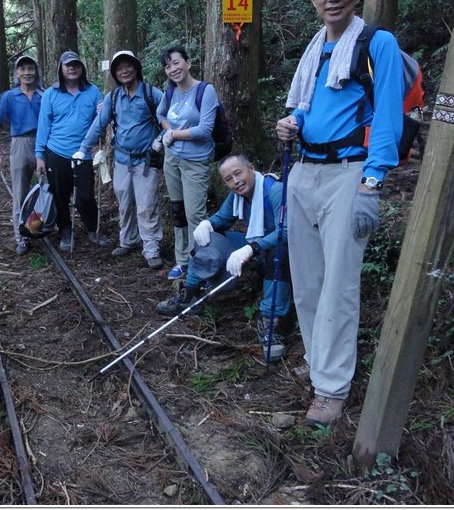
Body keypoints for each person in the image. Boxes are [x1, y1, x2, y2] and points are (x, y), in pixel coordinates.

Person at [276, 0, 403, 427]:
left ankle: (331, 388)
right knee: (307, 282)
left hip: (349, 174)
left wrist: (373, 183)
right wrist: (294, 122)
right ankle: (318, 361)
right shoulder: (316, 50)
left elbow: (387, 115)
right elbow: (311, 107)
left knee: (338, 286)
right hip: (304, 171)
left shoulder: (377, 44)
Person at [156, 154, 293, 360]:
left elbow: (287, 231)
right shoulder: (237, 195)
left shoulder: (274, 192)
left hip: (279, 248)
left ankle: (270, 324)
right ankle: (191, 293)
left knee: (279, 253)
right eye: (229, 179)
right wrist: (208, 224)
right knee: (206, 240)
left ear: (251, 168)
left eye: (238, 173)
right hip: (253, 244)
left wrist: (252, 248)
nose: (235, 181)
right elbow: (222, 218)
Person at [75, 50, 165, 269]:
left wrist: (161, 140)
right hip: (122, 160)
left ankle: (151, 247)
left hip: (146, 161)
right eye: (119, 68)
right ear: (115, 73)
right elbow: (99, 124)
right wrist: (83, 148)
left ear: (136, 68)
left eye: (128, 66)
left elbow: (168, 121)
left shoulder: (153, 94)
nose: (124, 71)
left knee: (146, 204)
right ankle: (129, 239)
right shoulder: (113, 98)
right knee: (125, 202)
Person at [36, 50, 110, 252]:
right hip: (55, 152)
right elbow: (43, 125)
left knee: (85, 196)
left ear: (81, 68)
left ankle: (92, 228)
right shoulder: (50, 94)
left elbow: (101, 125)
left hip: (82, 153)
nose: (72, 68)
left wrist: (101, 113)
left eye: (76, 64)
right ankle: (65, 230)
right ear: (61, 68)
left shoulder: (93, 92)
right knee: (60, 195)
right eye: (67, 65)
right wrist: (39, 155)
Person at [156, 45, 218, 280]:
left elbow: (204, 130)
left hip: (195, 162)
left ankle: (198, 262)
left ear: (188, 63)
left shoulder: (205, 90)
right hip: (172, 159)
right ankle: (182, 261)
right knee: (178, 212)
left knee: (195, 215)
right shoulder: (170, 92)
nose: (172, 69)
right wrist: (168, 129)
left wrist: (173, 135)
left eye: (176, 62)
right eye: (168, 65)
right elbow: (160, 115)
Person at [0, 55, 44, 256]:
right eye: (22, 69)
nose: (27, 73)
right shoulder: (9, 96)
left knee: (45, 190)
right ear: (17, 73)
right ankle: (21, 237)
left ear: (36, 72)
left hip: (43, 144)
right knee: (20, 192)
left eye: (30, 69)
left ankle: (38, 227)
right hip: (19, 143)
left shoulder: (44, 95)